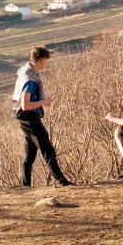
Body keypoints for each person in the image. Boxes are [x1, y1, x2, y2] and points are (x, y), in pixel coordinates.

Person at [12, 46, 72, 187]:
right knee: (47, 150)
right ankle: (62, 182)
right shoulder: (29, 80)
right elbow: (25, 105)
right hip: (30, 118)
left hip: (24, 119)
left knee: (29, 154)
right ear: (41, 60)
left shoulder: (25, 72)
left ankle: (25, 186)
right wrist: (44, 102)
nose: (46, 63)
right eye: (46, 60)